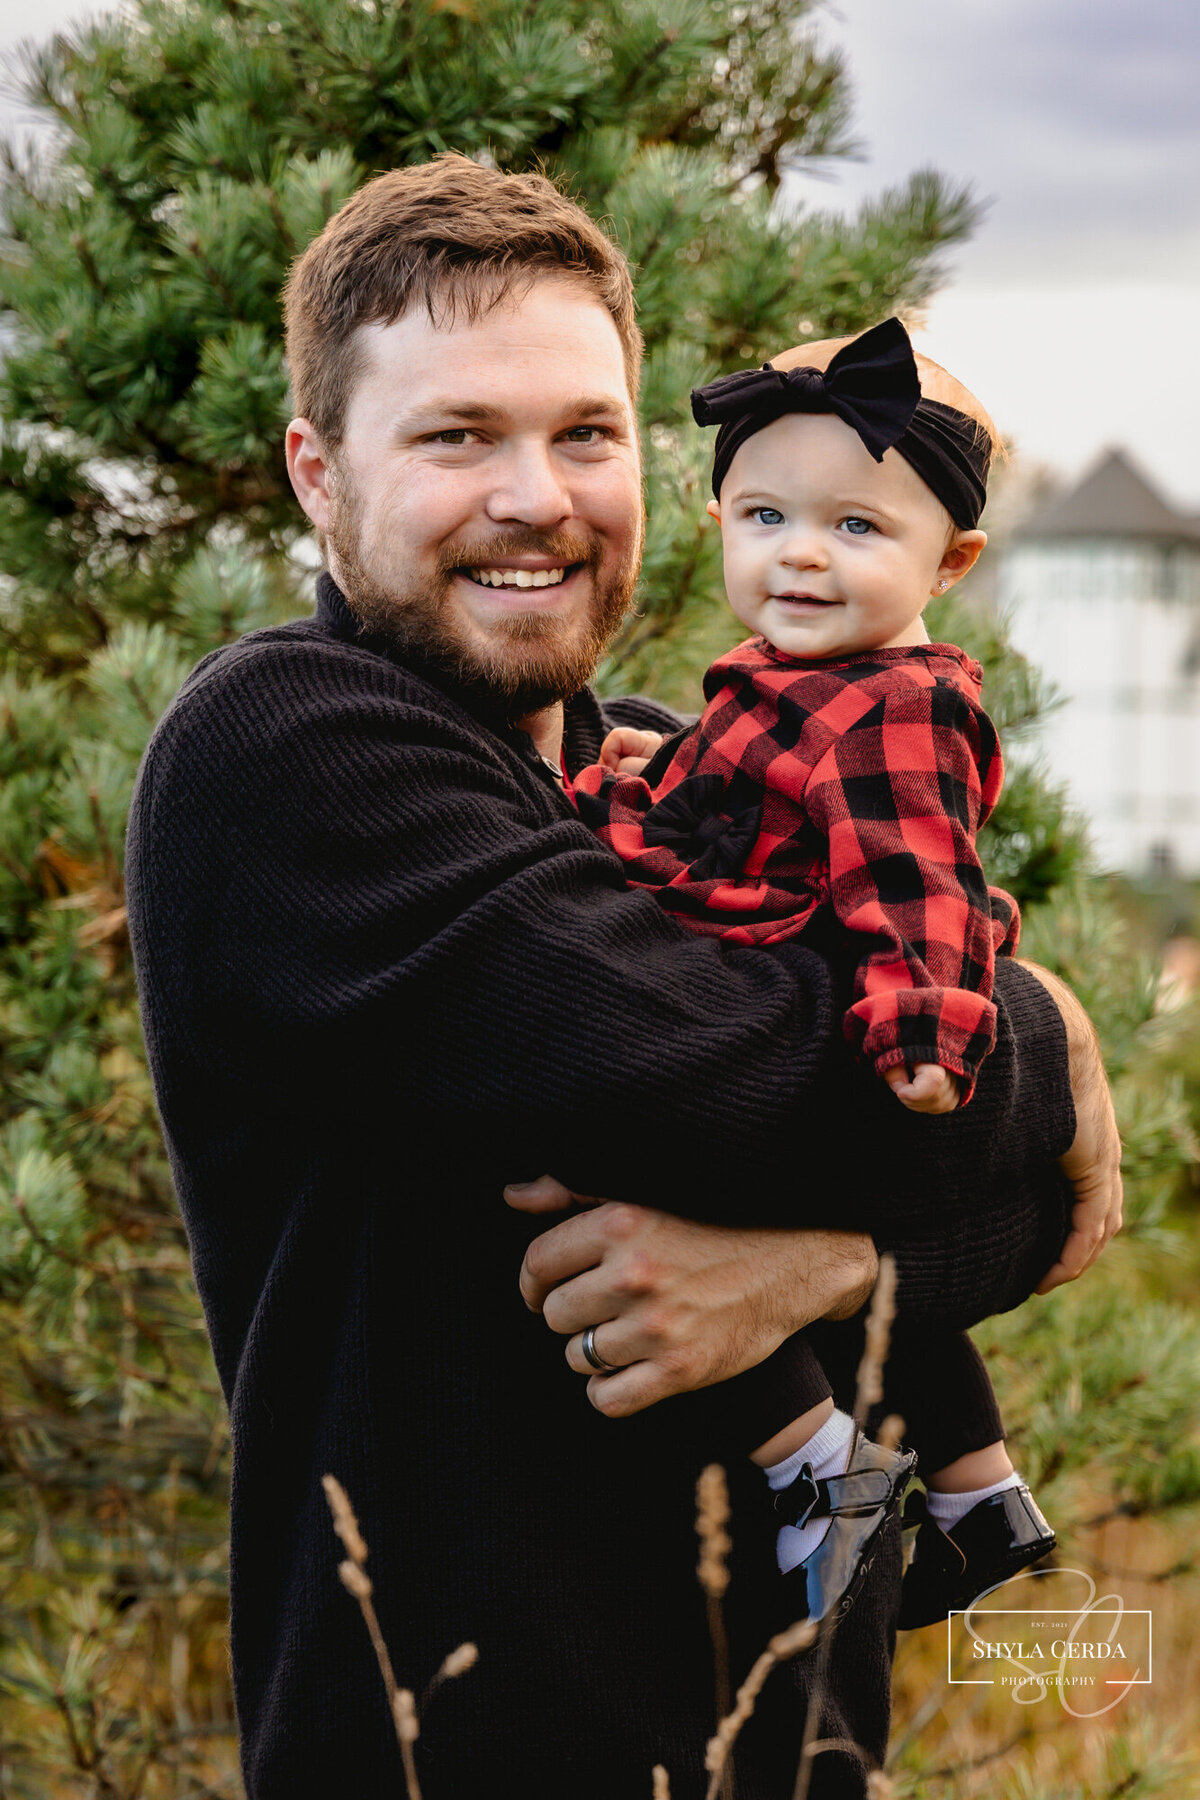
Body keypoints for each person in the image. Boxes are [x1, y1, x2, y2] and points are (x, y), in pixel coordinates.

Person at [124, 154, 1121, 1800]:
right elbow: (721, 1077)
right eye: (458, 436)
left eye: (585, 433)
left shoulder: (676, 778)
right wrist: (1055, 1035)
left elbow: (1032, 1217)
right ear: (317, 471)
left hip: (793, 1758)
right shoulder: (287, 746)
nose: (539, 497)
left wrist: (816, 1272)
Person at [569, 314, 1059, 1632]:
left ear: (949, 562)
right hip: (776, 949)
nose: (800, 552)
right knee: (837, 1267)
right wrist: (659, 772)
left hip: (823, 991)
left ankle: (825, 1471)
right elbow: (740, 784)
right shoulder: (789, 679)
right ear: (718, 519)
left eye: (856, 527)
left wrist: (923, 1030)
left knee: (663, 1205)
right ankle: (980, 1492)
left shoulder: (899, 706)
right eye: (767, 515)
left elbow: (920, 884)